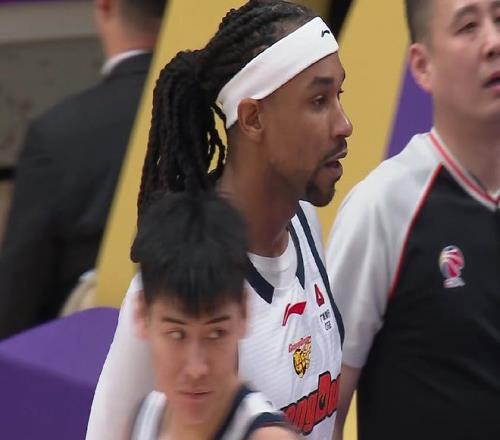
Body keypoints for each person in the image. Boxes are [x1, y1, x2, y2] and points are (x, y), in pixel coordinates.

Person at [86, 1, 353, 439]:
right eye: (319, 101)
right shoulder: (177, 278)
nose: (344, 125)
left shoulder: (305, 224)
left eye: (339, 96)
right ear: (253, 118)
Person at [328, 1, 500, 439]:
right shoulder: (382, 208)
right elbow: (323, 413)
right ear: (423, 66)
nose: (493, 42)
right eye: (468, 27)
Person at [0, 0, 168, 338]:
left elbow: (19, 290)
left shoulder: (58, 132)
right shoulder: (219, 114)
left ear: (105, 6)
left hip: (85, 347)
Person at [130, 191, 297, 440]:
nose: (196, 368)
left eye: (216, 333)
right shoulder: (146, 414)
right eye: (177, 334)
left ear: (244, 312)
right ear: (142, 315)